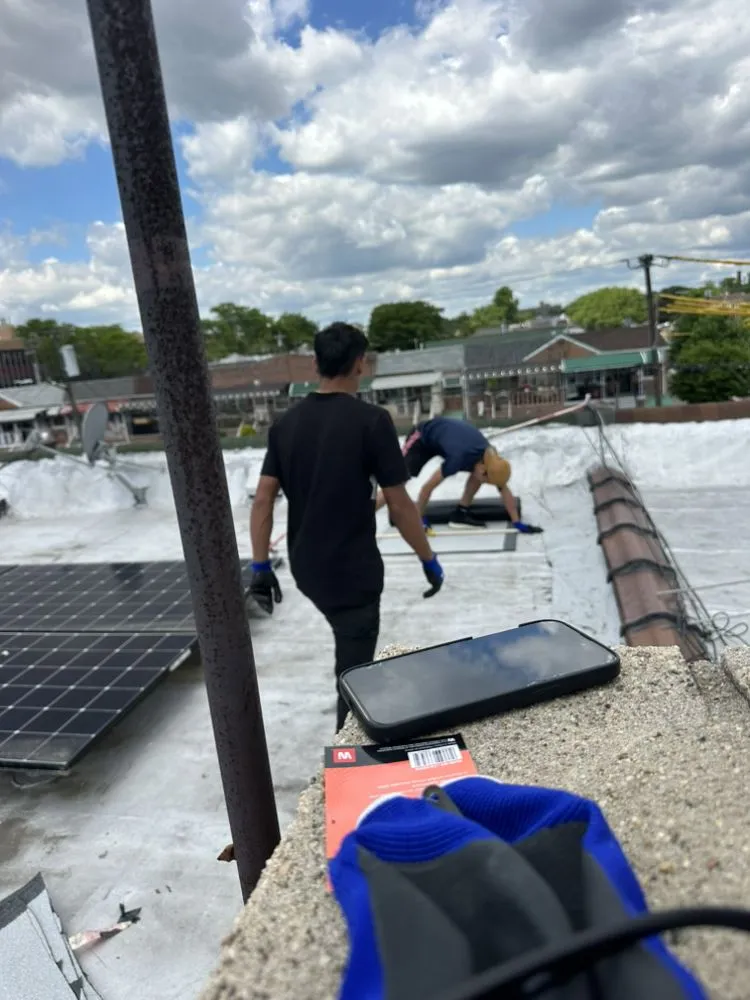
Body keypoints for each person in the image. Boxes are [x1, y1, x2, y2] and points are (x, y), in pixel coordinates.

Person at [249, 322, 444, 732]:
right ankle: (348, 752)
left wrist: (261, 567)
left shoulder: (285, 425)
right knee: (355, 674)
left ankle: (350, 731)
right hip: (352, 574)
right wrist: (428, 557)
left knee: (348, 650)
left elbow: (264, 497)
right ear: (361, 364)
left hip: (307, 567)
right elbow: (400, 505)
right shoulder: (371, 421)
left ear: (316, 364)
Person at [376, 416, 542, 532]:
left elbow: (503, 488)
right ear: (483, 469)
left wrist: (517, 522)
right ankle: (363, 514)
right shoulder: (458, 458)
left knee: (476, 478)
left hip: (448, 440)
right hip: (422, 437)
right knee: (397, 482)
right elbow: (427, 488)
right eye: (487, 480)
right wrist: (419, 520)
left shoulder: (491, 458)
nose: (486, 482)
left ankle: (460, 514)